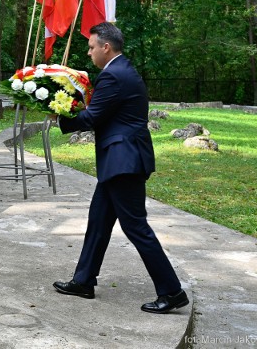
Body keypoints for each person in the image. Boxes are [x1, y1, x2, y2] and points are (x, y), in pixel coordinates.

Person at [52, 22, 188, 314]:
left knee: (135, 227)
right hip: (122, 160)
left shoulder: (113, 75)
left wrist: (60, 117)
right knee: (99, 221)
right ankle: (83, 280)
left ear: (106, 47)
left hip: (123, 161)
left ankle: (172, 291)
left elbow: (93, 117)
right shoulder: (123, 69)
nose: (89, 53)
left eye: (91, 47)